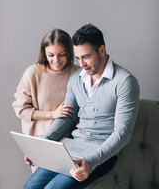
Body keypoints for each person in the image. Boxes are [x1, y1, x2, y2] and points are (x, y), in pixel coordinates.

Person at [23, 23, 140, 189]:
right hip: (72, 147)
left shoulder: (125, 82)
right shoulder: (76, 78)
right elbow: (67, 117)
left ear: (101, 50)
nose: (82, 64)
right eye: (78, 58)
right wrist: (42, 146)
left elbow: (123, 133)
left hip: (101, 155)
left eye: (86, 56)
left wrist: (90, 162)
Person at [13, 28, 79, 172]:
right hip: (40, 142)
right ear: (44, 53)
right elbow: (21, 109)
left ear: (69, 52)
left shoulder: (78, 73)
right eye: (51, 55)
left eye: (62, 55)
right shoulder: (33, 73)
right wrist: (52, 114)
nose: (56, 60)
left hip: (70, 143)